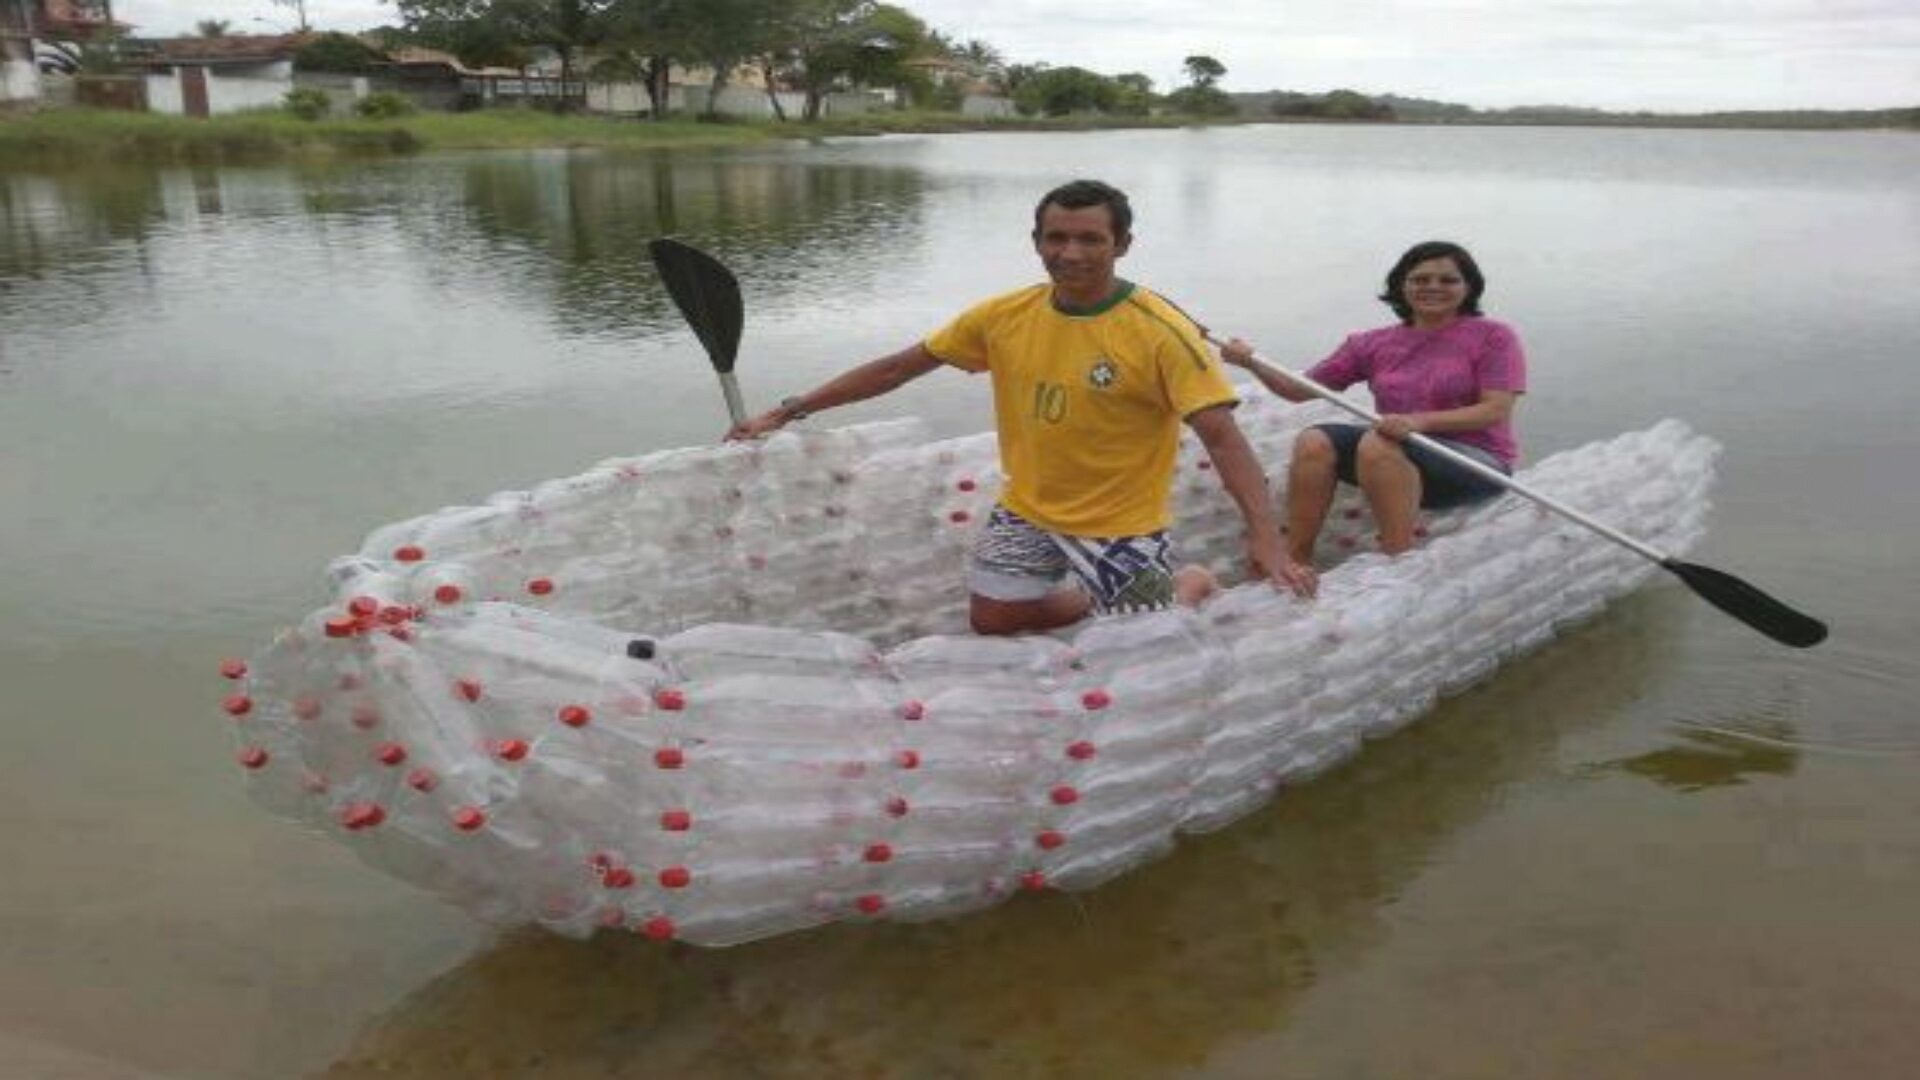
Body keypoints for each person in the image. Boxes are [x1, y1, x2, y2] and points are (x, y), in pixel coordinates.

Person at [727, 179, 1312, 636]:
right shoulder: (1003, 316)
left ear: (1122, 245)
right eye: (1056, 238)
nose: (1070, 253)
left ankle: (1187, 581)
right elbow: (896, 368)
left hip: (1120, 521)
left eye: (1090, 239)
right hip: (1030, 507)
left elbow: (1223, 438)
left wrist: (1266, 539)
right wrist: (788, 410)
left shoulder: (1162, 332)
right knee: (994, 621)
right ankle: (1098, 595)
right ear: (1036, 242)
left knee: (1146, 642)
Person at [1219, 240, 1526, 577]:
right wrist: (1252, 364)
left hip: (1474, 461)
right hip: (1396, 449)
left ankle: (1398, 561)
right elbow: (1298, 390)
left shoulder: (1494, 336)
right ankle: (1296, 559)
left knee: (1378, 442)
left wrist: (1417, 422)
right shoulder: (1370, 343)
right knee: (1314, 440)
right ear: (1401, 285)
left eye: (1447, 280)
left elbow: (1494, 409)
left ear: (1468, 287)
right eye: (1420, 279)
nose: (1433, 287)